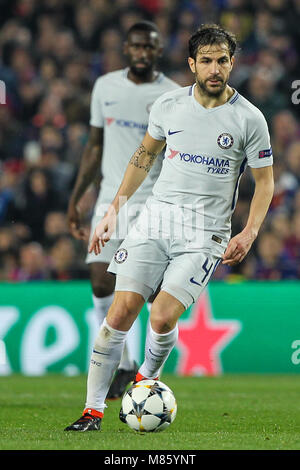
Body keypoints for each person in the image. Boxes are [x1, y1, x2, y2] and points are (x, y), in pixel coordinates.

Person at [65, 24, 274, 432]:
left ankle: (145, 379)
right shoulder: (168, 106)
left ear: (232, 64)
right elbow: (143, 157)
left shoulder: (250, 119)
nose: (216, 69)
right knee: (120, 311)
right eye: (208, 61)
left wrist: (248, 232)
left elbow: (265, 182)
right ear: (192, 64)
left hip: (205, 234)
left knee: (160, 317)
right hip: (155, 221)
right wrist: (113, 211)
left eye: (223, 60)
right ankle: (92, 411)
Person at [67, 20, 179, 400]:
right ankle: (125, 364)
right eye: (136, 46)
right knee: (101, 281)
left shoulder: (172, 95)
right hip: (109, 201)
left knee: (149, 294)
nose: (142, 53)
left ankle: (145, 371)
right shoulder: (105, 87)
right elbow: (94, 145)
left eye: (149, 47)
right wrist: (77, 195)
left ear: (158, 50)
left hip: (153, 202)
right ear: (126, 49)